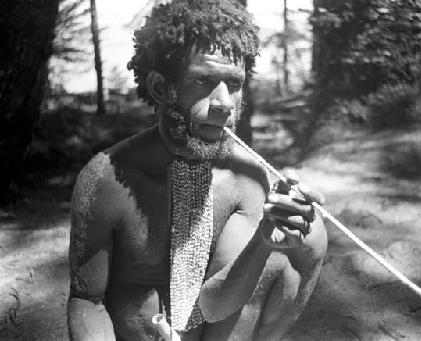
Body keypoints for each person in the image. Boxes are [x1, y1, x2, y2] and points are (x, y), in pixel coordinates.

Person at [67, 1, 327, 340]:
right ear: (161, 87)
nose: (224, 103)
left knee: (309, 234)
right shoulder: (106, 179)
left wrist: (264, 240)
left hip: (212, 328)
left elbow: (218, 305)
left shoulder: (245, 179)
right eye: (204, 81)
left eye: (234, 84)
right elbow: (87, 300)